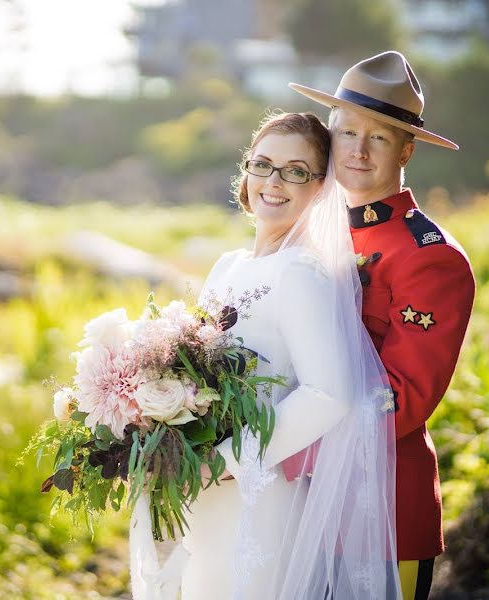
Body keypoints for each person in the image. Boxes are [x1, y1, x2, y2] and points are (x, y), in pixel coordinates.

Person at [129, 112, 401, 599]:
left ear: (320, 188)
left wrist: (228, 460)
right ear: (246, 173)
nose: (274, 182)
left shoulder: (303, 274)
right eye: (263, 165)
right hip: (209, 493)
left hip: (258, 498)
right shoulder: (229, 264)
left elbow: (328, 394)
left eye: (296, 171)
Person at [290, 50, 477, 599]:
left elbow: (400, 398)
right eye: (347, 132)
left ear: (407, 149)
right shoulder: (314, 233)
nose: (357, 150)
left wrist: (279, 450)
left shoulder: (429, 256)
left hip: (378, 515)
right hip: (297, 509)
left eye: (378, 137)